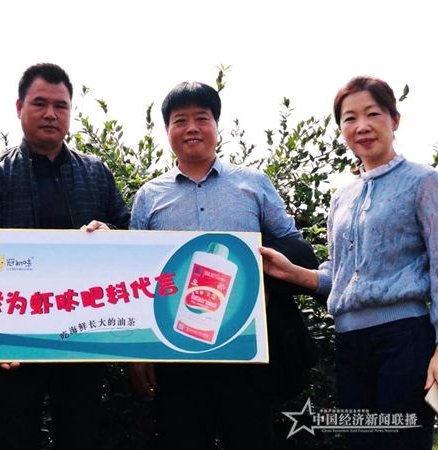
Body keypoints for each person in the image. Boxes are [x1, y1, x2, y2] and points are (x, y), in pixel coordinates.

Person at [129, 81, 319, 450]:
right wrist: (139, 354)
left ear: (217, 125)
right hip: (177, 350)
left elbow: (295, 248)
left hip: (246, 347)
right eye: (180, 120)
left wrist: (259, 269)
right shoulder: (149, 196)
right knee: (182, 438)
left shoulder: (252, 183)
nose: (192, 128)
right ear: (167, 130)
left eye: (202, 118)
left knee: (251, 437)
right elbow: (138, 277)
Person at [260, 76, 438, 450]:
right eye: (350, 118)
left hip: (404, 339)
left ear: (395, 119)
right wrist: (291, 272)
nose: (362, 126)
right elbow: (338, 276)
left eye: (372, 114)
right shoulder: (342, 197)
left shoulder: (424, 182)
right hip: (350, 342)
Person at [0, 62, 130, 450]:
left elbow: (128, 237)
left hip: (83, 335)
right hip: (15, 336)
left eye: (61, 105)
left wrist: (110, 234)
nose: (51, 114)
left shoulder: (96, 172)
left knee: (81, 433)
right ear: (19, 107)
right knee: (13, 434)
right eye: (39, 103)